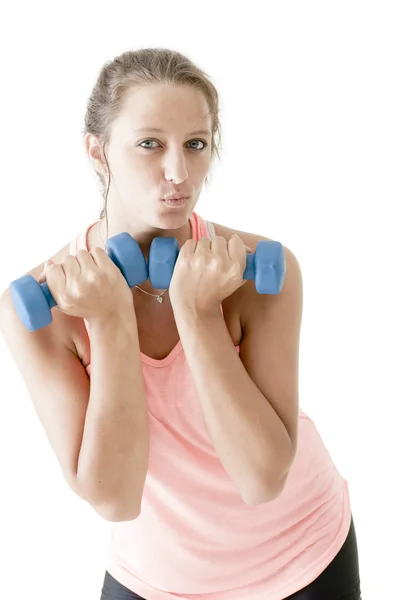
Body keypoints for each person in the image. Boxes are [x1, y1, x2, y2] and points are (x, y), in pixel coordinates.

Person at [0, 48, 362, 600]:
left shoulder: (265, 270)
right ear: (99, 152)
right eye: (150, 144)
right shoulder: (43, 310)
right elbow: (116, 498)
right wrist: (111, 321)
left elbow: (262, 479)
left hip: (301, 553)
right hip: (158, 577)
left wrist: (198, 314)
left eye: (196, 144)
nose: (179, 173)